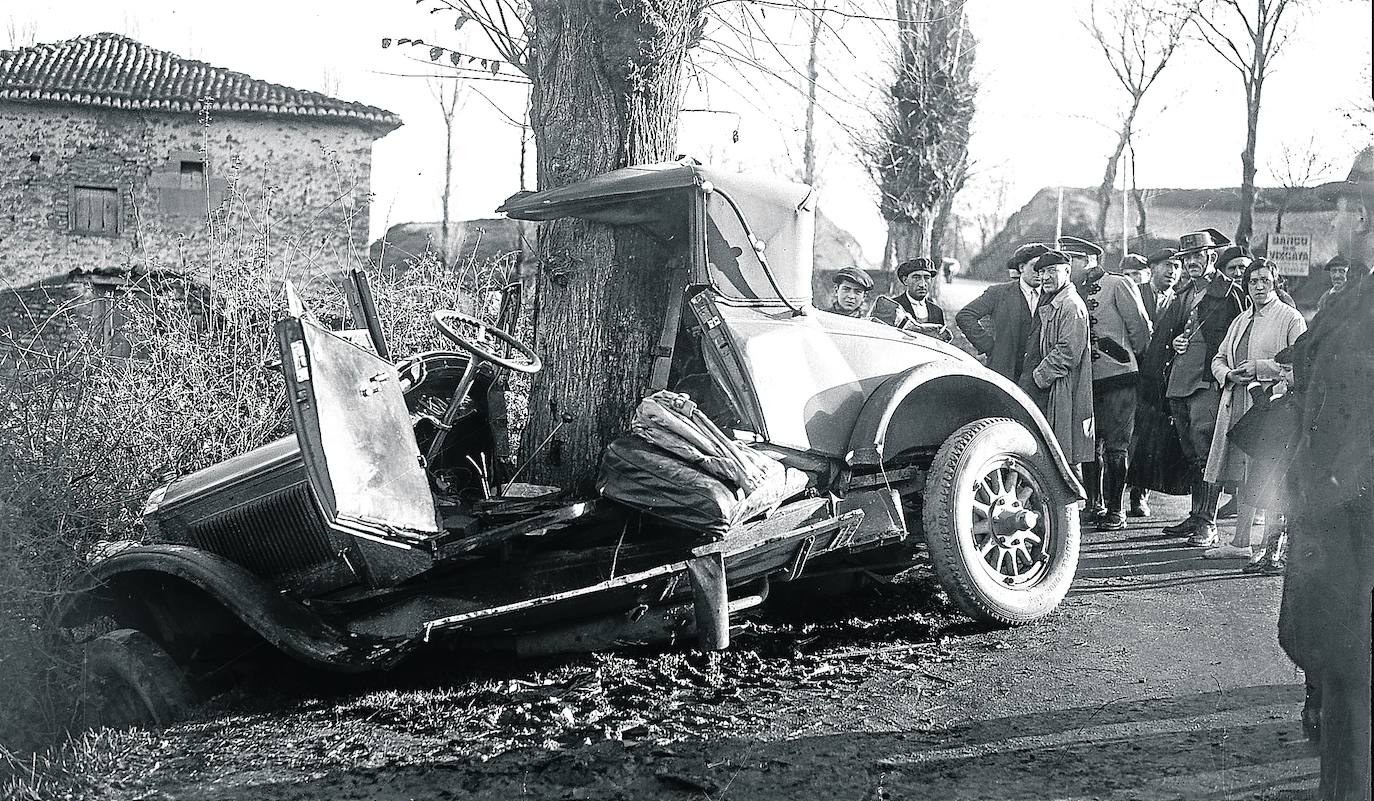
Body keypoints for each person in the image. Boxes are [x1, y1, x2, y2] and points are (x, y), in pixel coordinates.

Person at [1276, 260, 1373, 801]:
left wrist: (1335, 480)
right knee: (1337, 662)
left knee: (1350, 667)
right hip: (1332, 506)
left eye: (1343, 208)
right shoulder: (1353, 296)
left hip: (1353, 511)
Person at [1200, 258, 1307, 565]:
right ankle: (1240, 541)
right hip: (1236, 400)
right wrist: (1227, 374)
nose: (1259, 286)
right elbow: (1219, 356)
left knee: (1264, 472)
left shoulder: (1290, 317)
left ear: (1275, 284)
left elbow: (1298, 361)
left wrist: (1260, 368)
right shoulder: (1241, 319)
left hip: (1268, 404)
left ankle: (1267, 547)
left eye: (1265, 281)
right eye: (1252, 281)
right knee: (1240, 471)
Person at [1151, 228, 1245, 546]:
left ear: (1211, 257)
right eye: (1186, 258)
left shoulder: (1228, 291)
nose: (1191, 263)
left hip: (1207, 381)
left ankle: (1208, 522)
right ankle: (1196, 515)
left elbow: (1240, 335)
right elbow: (1172, 332)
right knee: (1191, 451)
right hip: (1179, 380)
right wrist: (1174, 340)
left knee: (1206, 451)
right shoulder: (1184, 294)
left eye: (1196, 257)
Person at [1064, 236, 1152, 530]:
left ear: (1090, 260)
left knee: (1116, 446)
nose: (1068, 265)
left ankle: (1116, 510)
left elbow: (1139, 328)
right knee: (1090, 444)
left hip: (1118, 377)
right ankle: (1094, 504)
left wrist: (1127, 358)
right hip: (1086, 379)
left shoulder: (1118, 284)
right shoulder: (1071, 291)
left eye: (1073, 260)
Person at [1017, 250, 1095, 467]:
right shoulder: (1053, 300)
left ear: (1068, 271)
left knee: (1061, 454)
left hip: (1060, 388)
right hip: (1050, 386)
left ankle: (1070, 502)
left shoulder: (1071, 305)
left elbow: (1068, 352)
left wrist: (1037, 377)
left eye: (1052, 271)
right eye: (1041, 272)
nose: (1045, 277)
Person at [954, 243, 1047, 382]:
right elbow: (965, 316)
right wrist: (989, 346)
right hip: (1004, 371)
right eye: (1035, 266)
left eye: (1043, 268)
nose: (1039, 272)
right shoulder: (999, 293)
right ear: (1021, 267)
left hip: (1037, 376)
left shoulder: (1051, 296)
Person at [887, 258, 952, 341]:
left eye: (927, 278)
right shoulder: (892, 306)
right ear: (905, 280)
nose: (922, 284)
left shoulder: (937, 311)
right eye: (916, 278)